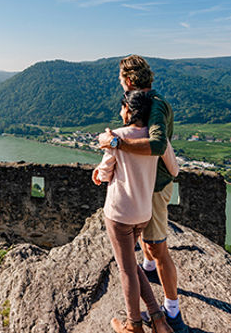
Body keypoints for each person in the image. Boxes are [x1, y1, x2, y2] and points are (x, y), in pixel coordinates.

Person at [98, 55, 188, 332]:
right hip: (147, 192)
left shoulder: (155, 107)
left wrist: (116, 142)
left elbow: (159, 144)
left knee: (157, 248)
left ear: (128, 81)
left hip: (150, 191)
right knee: (144, 252)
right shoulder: (151, 103)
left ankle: (171, 314)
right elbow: (171, 162)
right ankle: (155, 307)